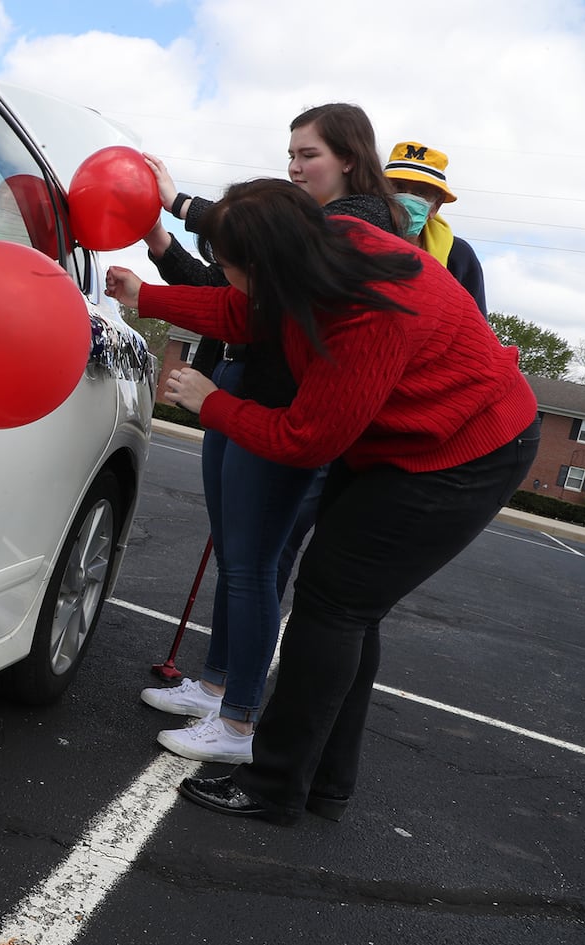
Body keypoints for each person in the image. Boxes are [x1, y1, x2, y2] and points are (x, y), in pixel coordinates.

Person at [105, 178, 540, 825]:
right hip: (411, 443)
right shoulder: (316, 248)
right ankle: (325, 782)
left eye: (230, 268)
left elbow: (307, 439)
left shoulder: (369, 311)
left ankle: (275, 785)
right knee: (348, 609)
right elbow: (246, 310)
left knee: (332, 604)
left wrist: (213, 403)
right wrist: (151, 297)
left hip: (463, 451)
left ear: (267, 262)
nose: (228, 279)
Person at [133, 104, 407, 766]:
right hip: (248, 393)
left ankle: (239, 719)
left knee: (257, 567)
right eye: (289, 154)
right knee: (239, 559)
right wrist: (159, 264)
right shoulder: (291, 245)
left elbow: (253, 269)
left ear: (350, 156)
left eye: (308, 153)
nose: (294, 164)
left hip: (285, 412)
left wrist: (180, 204)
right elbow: (237, 294)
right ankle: (221, 688)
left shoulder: (350, 231)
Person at [383, 140, 486, 314]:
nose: (406, 198)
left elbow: (477, 327)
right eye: (398, 187)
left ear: (435, 206)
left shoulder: (459, 257)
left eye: (420, 192)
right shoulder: (352, 239)